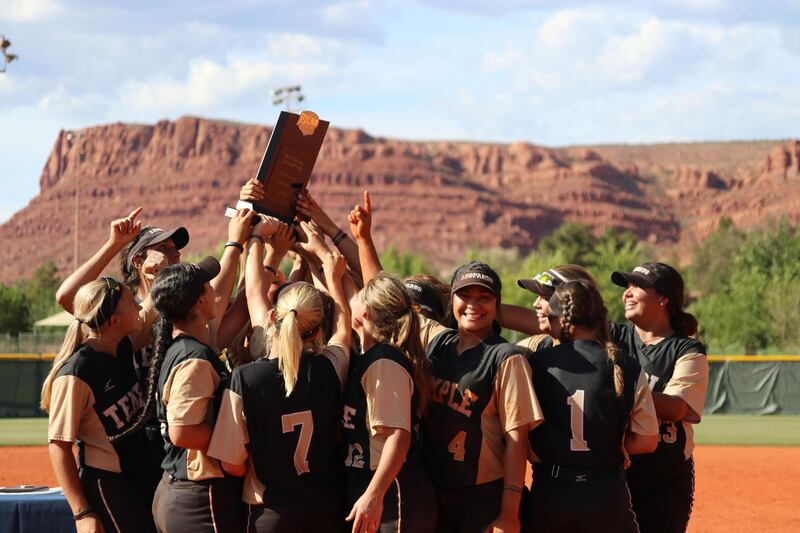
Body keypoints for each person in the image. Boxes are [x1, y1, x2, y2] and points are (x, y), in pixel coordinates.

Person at [348, 190, 543, 533]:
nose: (474, 304)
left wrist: (509, 514)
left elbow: (517, 442)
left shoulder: (506, 358)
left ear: (497, 305)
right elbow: (384, 296)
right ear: (451, 300)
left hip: (483, 498)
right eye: (465, 295)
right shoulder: (437, 340)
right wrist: (363, 239)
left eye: (484, 297)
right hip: (437, 490)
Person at [207, 219, 352, 532]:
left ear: (275, 317)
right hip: (324, 510)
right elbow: (343, 327)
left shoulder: (246, 378)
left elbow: (231, 463)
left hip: (270, 514)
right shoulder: (331, 367)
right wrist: (332, 275)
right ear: (317, 330)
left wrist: (257, 238)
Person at [112, 256, 243, 532]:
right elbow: (182, 432)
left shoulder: (184, 347)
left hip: (184, 492)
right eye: (207, 285)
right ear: (199, 301)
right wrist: (232, 437)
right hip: (197, 498)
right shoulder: (192, 357)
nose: (213, 290)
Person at [521, 281, 659, 533]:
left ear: (563, 321)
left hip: (551, 493)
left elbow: (520, 432)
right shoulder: (624, 364)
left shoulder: (536, 363)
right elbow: (648, 440)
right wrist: (604, 444)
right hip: (606, 492)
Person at [42, 277, 157, 532]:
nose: (137, 306)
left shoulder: (123, 346)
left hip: (138, 473)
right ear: (113, 320)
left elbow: (151, 305)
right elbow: (59, 445)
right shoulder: (77, 371)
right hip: (108, 483)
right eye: (131, 303)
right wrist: (82, 512)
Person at [609, 263, 709, 533]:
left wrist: (613, 389)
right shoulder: (614, 336)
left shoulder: (687, 349)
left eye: (636, 286)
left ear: (663, 298)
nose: (627, 293)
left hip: (665, 481)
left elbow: (676, 407)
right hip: (615, 473)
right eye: (626, 287)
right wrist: (491, 313)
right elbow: (551, 324)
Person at [343, 274, 438, 533]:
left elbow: (399, 436)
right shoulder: (372, 354)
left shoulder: (384, 360)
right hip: (384, 486)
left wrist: (374, 494)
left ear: (365, 312)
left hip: (392, 491)